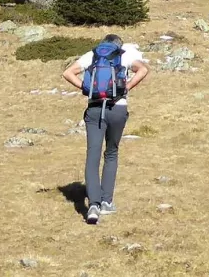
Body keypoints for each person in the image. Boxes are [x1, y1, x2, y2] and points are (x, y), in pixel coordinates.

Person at [62, 33, 150, 224]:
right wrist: (125, 87)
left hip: (94, 109)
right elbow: (142, 70)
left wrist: (86, 89)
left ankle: (93, 205)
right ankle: (106, 202)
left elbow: (67, 73)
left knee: (92, 155)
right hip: (117, 108)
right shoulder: (125, 54)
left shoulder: (92, 55)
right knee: (111, 153)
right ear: (118, 44)